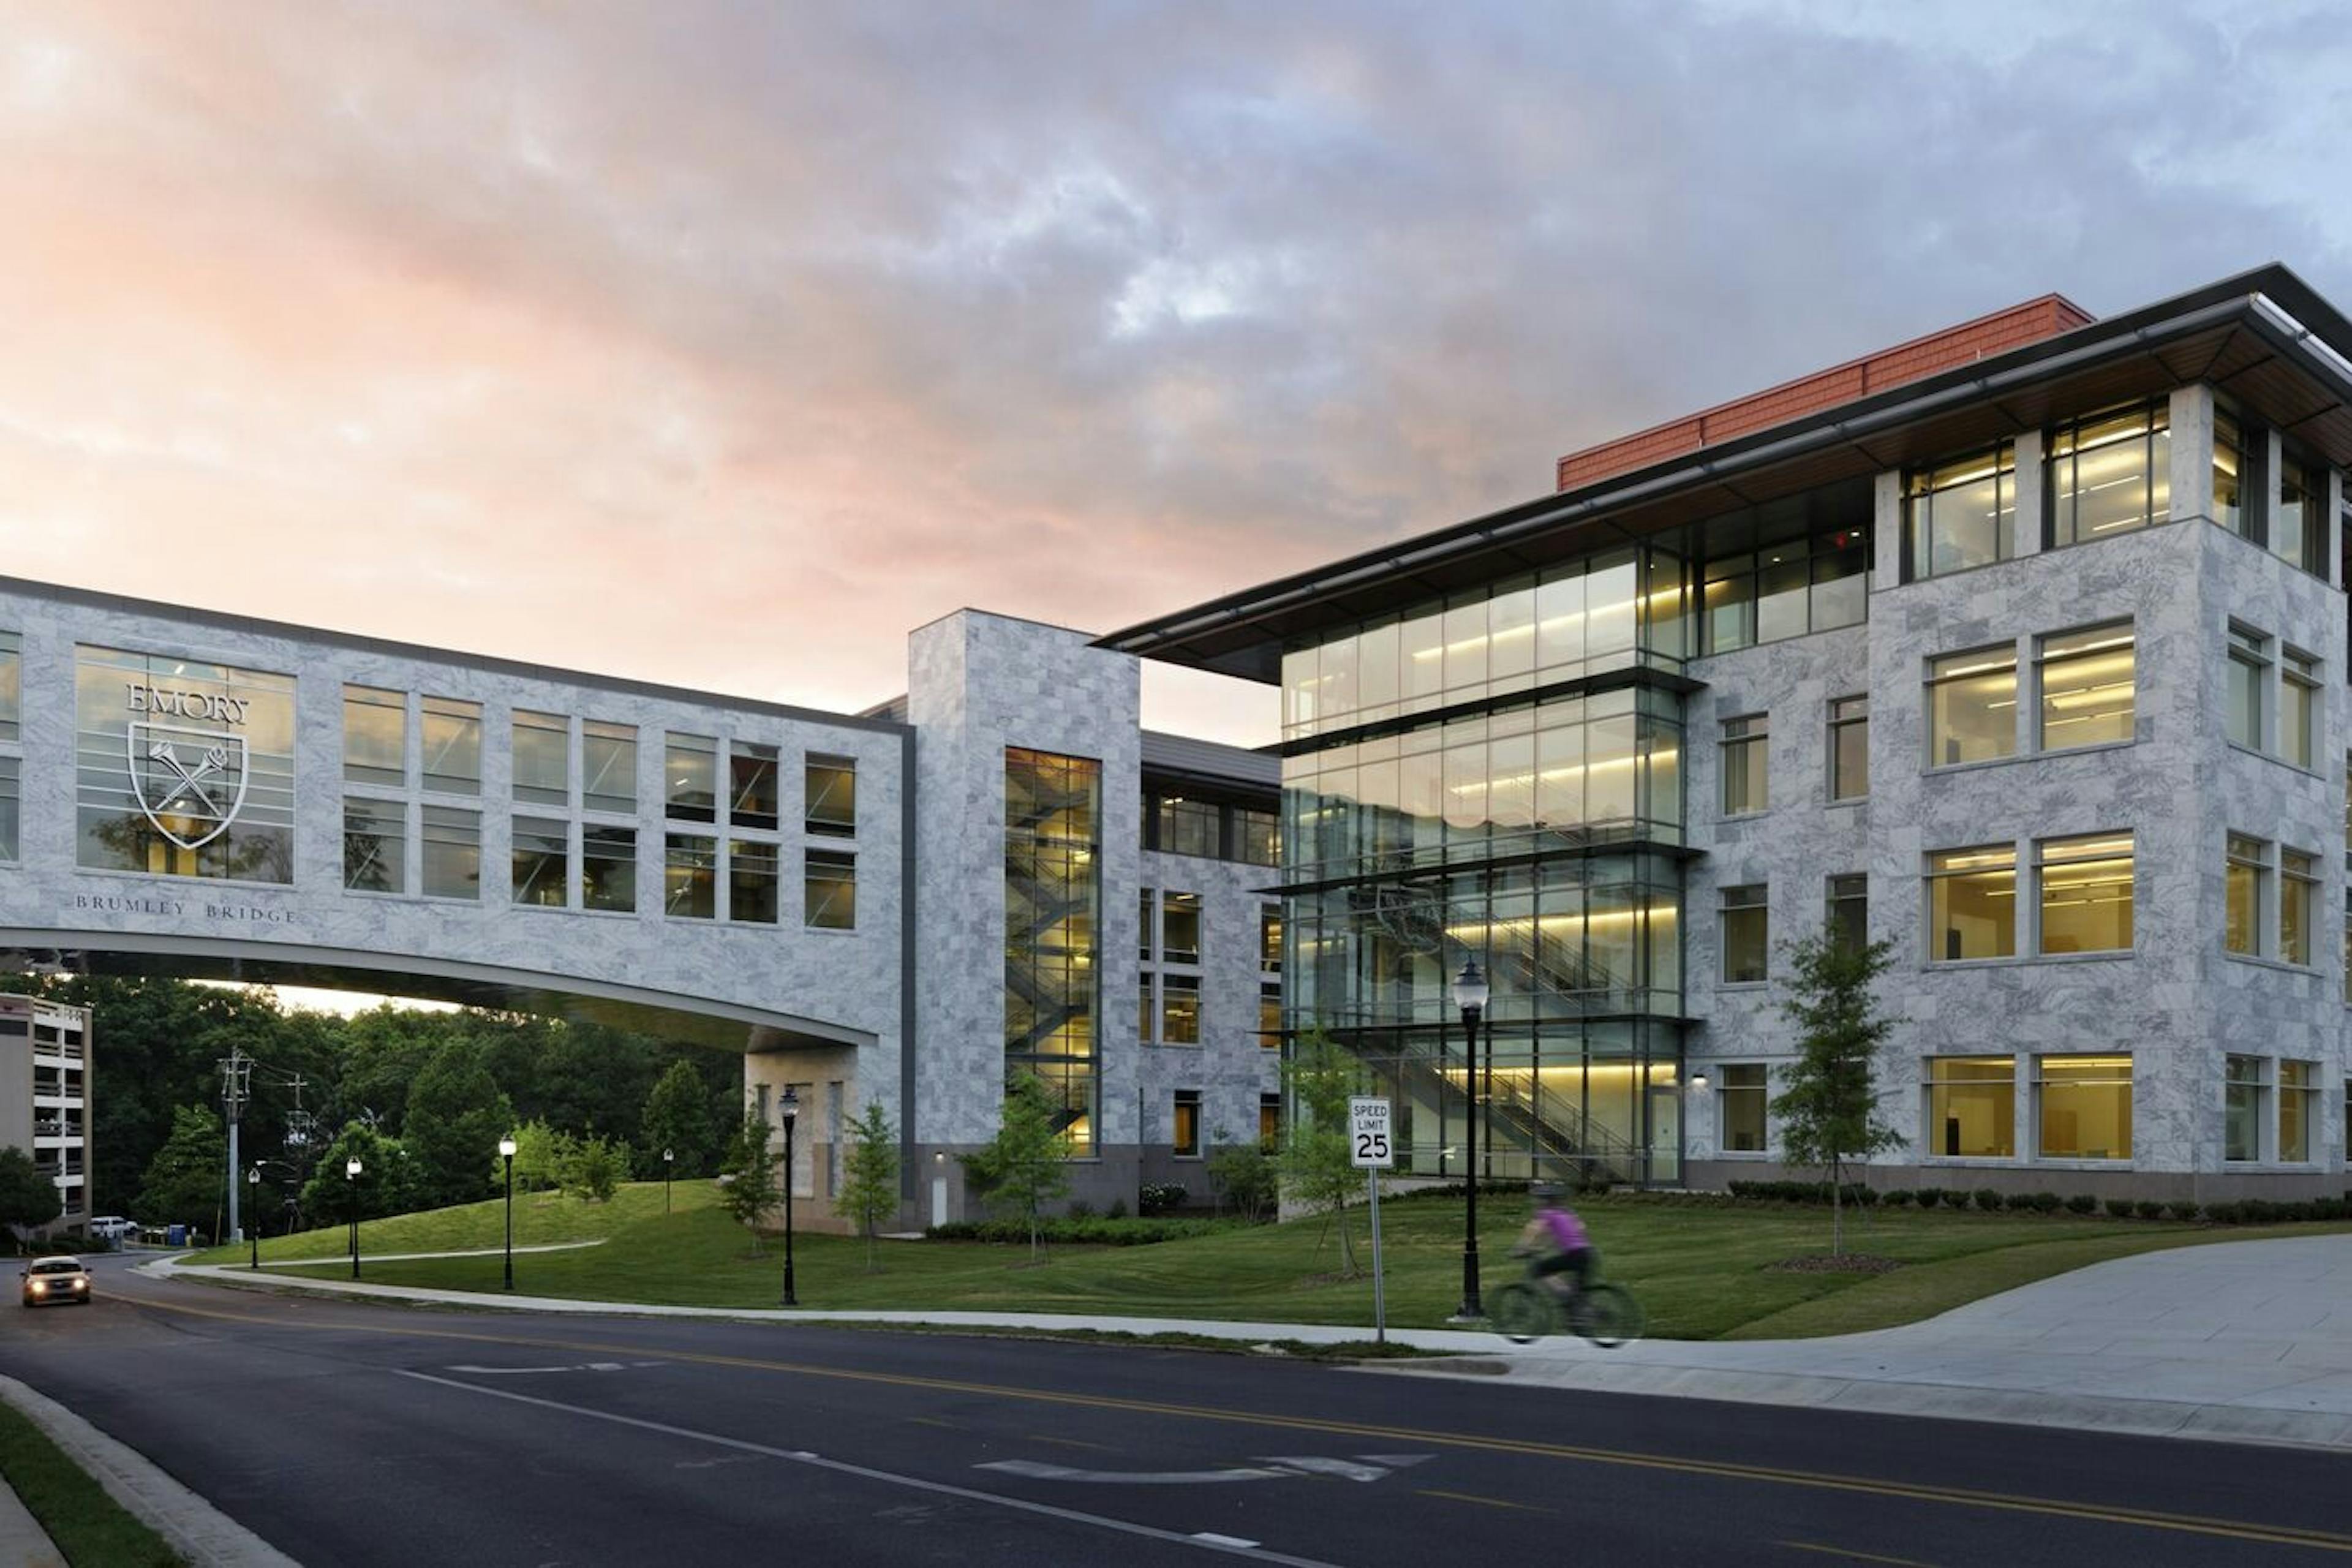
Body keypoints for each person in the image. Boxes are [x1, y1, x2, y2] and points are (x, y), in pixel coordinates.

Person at [1511, 1184, 1594, 1305]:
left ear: (1545, 1200)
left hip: (1574, 1254)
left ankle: (1563, 1294)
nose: (1537, 1203)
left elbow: (1533, 1232)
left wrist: (1521, 1248)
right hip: (1586, 1253)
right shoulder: (1567, 1214)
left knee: (1541, 1269)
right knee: (1578, 1294)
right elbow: (1576, 1231)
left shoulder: (1547, 1214)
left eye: (1539, 1199)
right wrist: (1543, 1247)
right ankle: (1577, 1310)